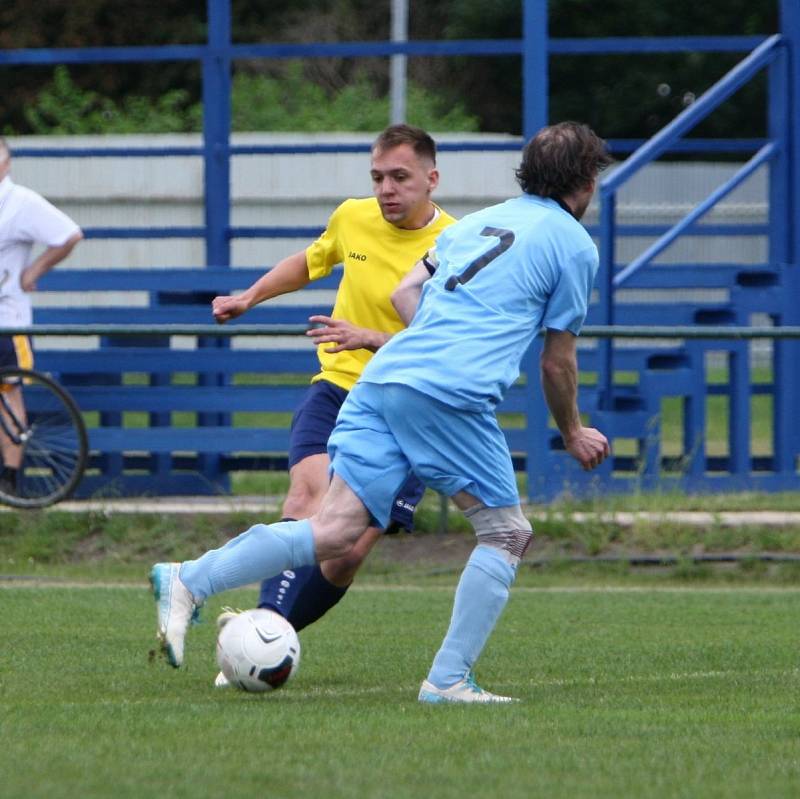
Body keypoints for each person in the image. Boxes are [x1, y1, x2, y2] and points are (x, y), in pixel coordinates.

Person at [151, 121, 612, 704]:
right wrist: (572, 431)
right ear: (586, 180)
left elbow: (403, 295)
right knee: (506, 532)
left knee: (334, 529)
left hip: (386, 375)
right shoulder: (574, 244)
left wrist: (432, 340)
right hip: (449, 392)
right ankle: (448, 680)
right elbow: (557, 363)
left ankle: (189, 579)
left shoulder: (474, 224)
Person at [209, 125, 455, 684]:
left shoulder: (455, 246)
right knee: (306, 497)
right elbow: (311, 259)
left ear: (431, 179)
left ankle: (261, 637)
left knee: (344, 553)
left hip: (406, 407)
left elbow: (447, 345)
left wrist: (370, 337)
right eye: (377, 177)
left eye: (400, 177)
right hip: (338, 389)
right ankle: (260, 639)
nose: (386, 189)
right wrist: (250, 295)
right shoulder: (353, 217)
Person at [0, 137, 83, 493]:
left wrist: (33, 272)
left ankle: (10, 479)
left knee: (9, 391)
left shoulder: (20, 203)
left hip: (7, 317)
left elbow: (68, 234)